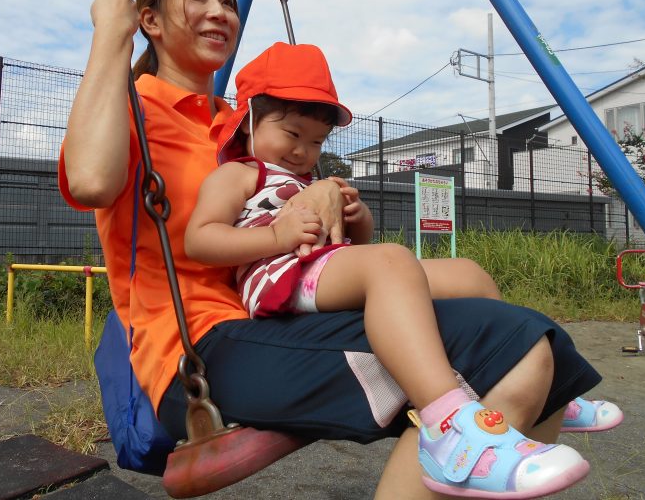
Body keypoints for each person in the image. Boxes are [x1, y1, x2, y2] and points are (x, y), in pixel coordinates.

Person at [60, 0, 612, 499]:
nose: (220, 11)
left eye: (227, 0)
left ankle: (464, 434)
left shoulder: (249, 124)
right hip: (201, 345)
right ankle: (454, 429)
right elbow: (89, 182)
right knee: (513, 349)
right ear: (149, 20)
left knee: (540, 345)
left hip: (279, 314)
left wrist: (329, 196)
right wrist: (111, 35)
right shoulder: (130, 110)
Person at [183, 41, 605, 497]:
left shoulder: (310, 182)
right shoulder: (242, 175)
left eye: (316, 141)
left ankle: (546, 389)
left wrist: (357, 217)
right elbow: (200, 238)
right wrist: (274, 238)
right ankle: (448, 421)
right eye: (291, 133)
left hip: (321, 269)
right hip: (277, 277)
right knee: (392, 260)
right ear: (249, 121)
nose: (303, 150)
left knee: (469, 273)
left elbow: (354, 249)